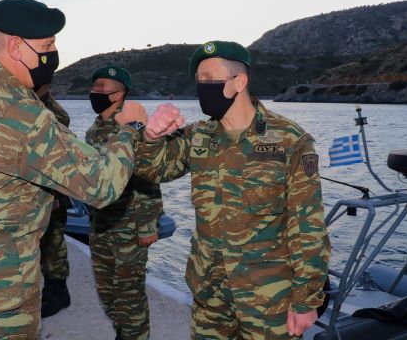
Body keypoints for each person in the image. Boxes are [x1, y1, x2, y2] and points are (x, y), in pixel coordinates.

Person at [0, 0, 147, 339]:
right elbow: (101, 184)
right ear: (15, 46)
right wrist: (130, 129)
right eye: (47, 46)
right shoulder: (15, 110)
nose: (54, 54)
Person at [136, 41, 331, 339]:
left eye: (209, 78)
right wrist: (151, 138)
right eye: (199, 80)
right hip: (208, 289)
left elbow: (307, 225)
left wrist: (306, 299)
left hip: (268, 296)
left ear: (239, 82)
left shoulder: (290, 140)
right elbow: (152, 170)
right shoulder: (198, 136)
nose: (202, 87)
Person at [86, 65, 164, 340]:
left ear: (119, 94)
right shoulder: (95, 128)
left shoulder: (135, 127)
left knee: (129, 294)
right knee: (107, 291)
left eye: (102, 87)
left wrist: (148, 225)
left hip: (129, 225)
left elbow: (148, 177)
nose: (95, 91)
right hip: (101, 224)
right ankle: (122, 332)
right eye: (94, 86)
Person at [36, 83, 72, 318]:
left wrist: (55, 194)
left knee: (53, 244)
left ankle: (59, 293)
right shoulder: (33, 105)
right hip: (37, 189)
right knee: (44, 243)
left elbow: (57, 158)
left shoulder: (53, 112)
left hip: (51, 191)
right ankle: (50, 290)